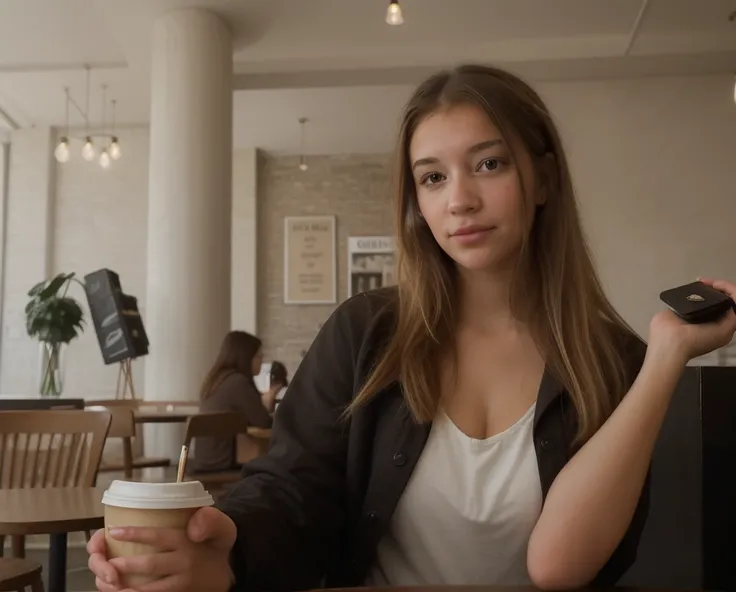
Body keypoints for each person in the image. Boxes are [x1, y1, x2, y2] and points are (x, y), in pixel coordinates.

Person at [87, 64, 736, 592]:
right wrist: (229, 542)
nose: (459, 200)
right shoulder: (364, 333)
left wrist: (666, 356)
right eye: (432, 177)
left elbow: (568, 566)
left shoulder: (610, 360)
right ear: (416, 200)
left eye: (489, 165)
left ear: (542, 179)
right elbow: (292, 488)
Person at [191, 330, 272, 473]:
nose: (261, 360)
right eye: (258, 355)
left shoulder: (216, 380)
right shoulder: (237, 383)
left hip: (206, 460)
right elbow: (264, 421)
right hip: (223, 463)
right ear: (247, 357)